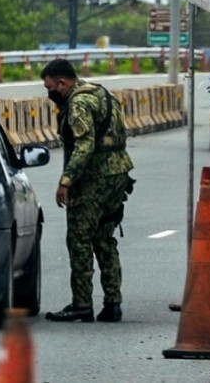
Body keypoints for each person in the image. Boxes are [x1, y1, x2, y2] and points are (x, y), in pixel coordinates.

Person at [41, 58, 134, 323]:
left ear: (62, 82)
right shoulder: (102, 93)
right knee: (105, 239)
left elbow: (84, 145)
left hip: (95, 179)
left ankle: (81, 303)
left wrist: (66, 181)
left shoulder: (79, 103)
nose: (49, 93)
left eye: (50, 87)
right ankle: (113, 303)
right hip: (118, 175)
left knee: (80, 241)